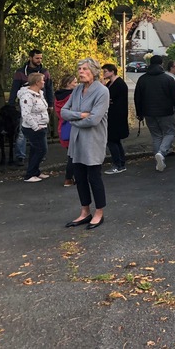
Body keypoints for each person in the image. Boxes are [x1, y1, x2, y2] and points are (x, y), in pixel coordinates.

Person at [61, 58, 110, 230]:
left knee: (94, 177)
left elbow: (94, 119)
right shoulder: (77, 90)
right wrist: (81, 115)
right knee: (79, 178)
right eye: (79, 68)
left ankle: (99, 212)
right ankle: (84, 211)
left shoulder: (102, 92)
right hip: (77, 140)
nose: (80, 72)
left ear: (94, 71)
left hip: (93, 140)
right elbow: (63, 112)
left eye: (84, 69)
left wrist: (74, 119)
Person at [134, 54, 175, 172]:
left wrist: (139, 112)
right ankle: (161, 152)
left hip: (148, 112)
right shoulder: (167, 79)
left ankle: (158, 161)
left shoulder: (142, 79)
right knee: (170, 132)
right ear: (161, 64)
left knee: (156, 135)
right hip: (166, 111)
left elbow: (137, 97)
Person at [8, 49, 54, 165]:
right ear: (30, 58)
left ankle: (40, 154)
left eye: (41, 58)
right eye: (37, 58)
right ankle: (20, 156)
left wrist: (51, 104)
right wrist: (11, 104)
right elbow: (14, 89)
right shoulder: (20, 72)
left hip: (40, 105)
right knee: (23, 130)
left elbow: (49, 88)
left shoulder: (44, 72)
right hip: (27, 105)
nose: (39, 60)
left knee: (41, 130)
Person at [18, 72, 51, 183]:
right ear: (37, 82)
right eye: (42, 80)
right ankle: (29, 174)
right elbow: (26, 114)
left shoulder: (39, 94)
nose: (44, 82)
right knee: (41, 150)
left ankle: (35, 172)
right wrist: (35, 127)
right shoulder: (27, 96)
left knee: (35, 150)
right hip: (33, 128)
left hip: (42, 126)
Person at [102, 64, 129, 175]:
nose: (104, 74)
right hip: (111, 115)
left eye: (106, 71)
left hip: (117, 116)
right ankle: (121, 163)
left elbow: (108, 97)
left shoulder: (119, 84)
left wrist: (103, 88)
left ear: (112, 72)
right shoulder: (110, 83)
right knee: (115, 141)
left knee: (111, 140)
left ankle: (117, 164)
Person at [54, 74, 77, 186]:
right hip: (72, 126)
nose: (76, 84)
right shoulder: (72, 96)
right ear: (68, 83)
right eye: (75, 82)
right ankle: (69, 178)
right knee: (74, 155)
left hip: (63, 127)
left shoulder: (58, 96)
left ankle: (71, 178)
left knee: (71, 153)